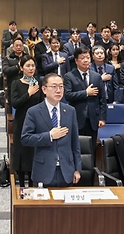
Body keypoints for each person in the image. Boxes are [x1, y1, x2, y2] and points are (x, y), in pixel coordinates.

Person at [20, 74, 82, 187]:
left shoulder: (70, 111)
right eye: (54, 86)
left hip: (66, 171)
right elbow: (25, 138)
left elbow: (75, 142)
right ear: (44, 89)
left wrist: (77, 169)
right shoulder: (33, 112)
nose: (58, 90)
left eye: (61, 86)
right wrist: (49, 136)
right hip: (44, 170)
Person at [9, 57, 43, 186]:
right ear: (22, 67)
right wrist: (28, 93)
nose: (31, 68)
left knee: (33, 154)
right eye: (28, 65)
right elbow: (16, 103)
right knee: (22, 153)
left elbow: (41, 104)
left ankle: (33, 184)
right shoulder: (16, 83)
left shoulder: (38, 83)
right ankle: (22, 185)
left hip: (35, 123)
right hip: (21, 122)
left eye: (33, 66)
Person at [63, 45, 106, 137]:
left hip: (93, 119)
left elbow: (102, 99)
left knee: (92, 147)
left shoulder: (96, 76)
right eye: (82, 58)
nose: (86, 60)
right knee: (78, 148)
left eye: (88, 57)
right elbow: (68, 95)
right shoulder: (69, 76)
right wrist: (86, 93)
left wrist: (102, 118)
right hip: (77, 118)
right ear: (76, 61)